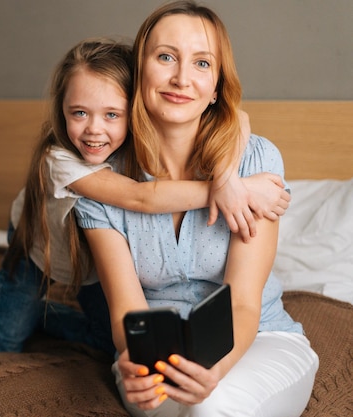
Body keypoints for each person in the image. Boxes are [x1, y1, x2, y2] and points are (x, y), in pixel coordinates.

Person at [0, 37, 289, 355]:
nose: (93, 131)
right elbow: (142, 198)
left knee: (112, 343)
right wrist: (225, 189)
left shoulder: (141, 140)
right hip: (41, 249)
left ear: (135, 112)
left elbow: (235, 117)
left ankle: (45, 316)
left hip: (93, 267)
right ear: (61, 110)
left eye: (112, 115)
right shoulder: (61, 161)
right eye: (79, 113)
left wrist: (228, 174)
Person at [74, 2, 319, 416]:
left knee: (211, 407)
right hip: (154, 350)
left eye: (202, 63)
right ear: (140, 71)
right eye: (165, 56)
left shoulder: (255, 161)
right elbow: (126, 311)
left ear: (217, 86)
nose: (181, 78)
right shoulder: (103, 184)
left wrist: (212, 371)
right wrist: (136, 360)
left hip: (259, 339)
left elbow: (242, 301)